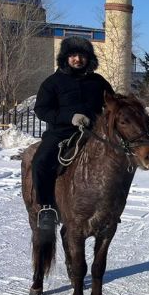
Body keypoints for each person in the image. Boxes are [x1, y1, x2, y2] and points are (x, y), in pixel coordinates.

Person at [32, 36, 114, 232]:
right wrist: (70, 117)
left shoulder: (98, 82)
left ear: (89, 59)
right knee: (40, 162)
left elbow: (112, 104)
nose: (78, 59)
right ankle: (47, 208)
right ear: (66, 58)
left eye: (82, 56)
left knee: (119, 161)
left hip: (94, 133)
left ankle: (110, 208)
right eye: (73, 55)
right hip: (61, 133)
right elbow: (41, 109)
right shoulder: (52, 82)